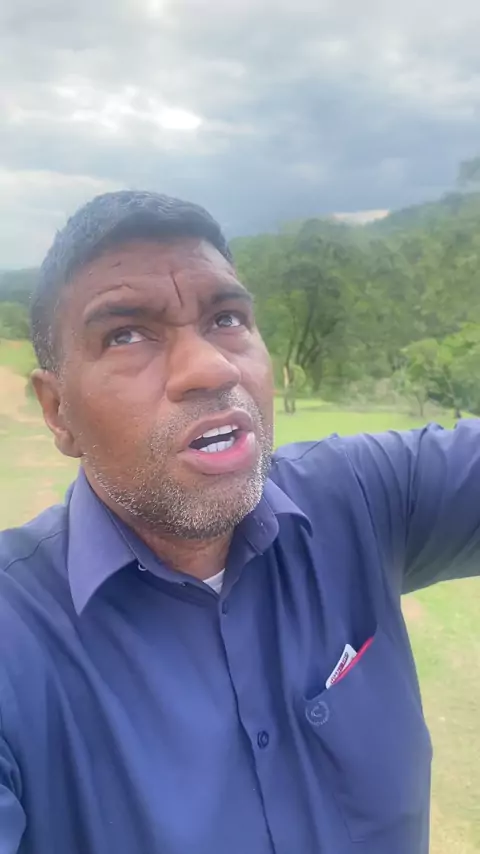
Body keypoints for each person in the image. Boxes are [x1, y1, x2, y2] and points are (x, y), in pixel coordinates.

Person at [0, 190, 478, 854]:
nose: (210, 368)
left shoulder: (360, 497)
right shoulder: (16, 636)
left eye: (226, 318)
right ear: (58, 412)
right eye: (126, 335)